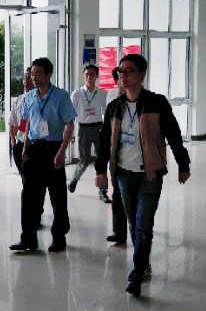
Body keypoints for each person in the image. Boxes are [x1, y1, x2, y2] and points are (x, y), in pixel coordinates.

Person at [95, 54, 191, 297]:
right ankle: (143, 262)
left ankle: (137, 272)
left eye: (129, 71)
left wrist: (183, 163)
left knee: (144, 224)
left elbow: (173, 134)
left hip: (150, 173)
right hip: (123, 174)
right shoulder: (114, 107)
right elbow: (105, 141)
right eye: (120, 72)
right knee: (133, 222)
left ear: (141, 75)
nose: (123, 76)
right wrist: (100, 170)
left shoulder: (156, 103)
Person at [10, 57, 76, 254]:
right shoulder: (29, 97)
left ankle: (59, 237)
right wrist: (25, 146)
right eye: (32, 73)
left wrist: (62, 151)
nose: (34, 77)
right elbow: (29, 122)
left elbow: (70, 125)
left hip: (53, 148)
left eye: (38, 73)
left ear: (48, 74)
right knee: (28, 195)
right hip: (33, 148)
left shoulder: (61, 96)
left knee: (57, 196)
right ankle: (28, 238)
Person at [69, 64, 109, 202]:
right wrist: (71, 133)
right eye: (87, 74)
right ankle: (74, 179)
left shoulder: (102, 94)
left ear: (96, 76)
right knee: (84, 159)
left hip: (99, 128)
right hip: (83, 129)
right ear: (83, 76)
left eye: (92, 74)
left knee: (101, 160)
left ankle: (103, 191)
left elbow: (107, 113)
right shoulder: (77, 94)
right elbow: (70, 115)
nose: (89, 77)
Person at [98, 67, 128, 247]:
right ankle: (119, 232)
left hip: (138, 159)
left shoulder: (147, 102)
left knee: (135, 199)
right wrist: (100, 168)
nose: (123, 80)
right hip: (116, 154)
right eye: (120, 77)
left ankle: (139, 228)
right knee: (118, 195)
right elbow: (106, 133)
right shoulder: (112, 100)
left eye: (127, 75)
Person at [8, 67, 33, 176]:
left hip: (34, 146)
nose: (26, 80)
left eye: (29, 78)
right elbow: (12, 121)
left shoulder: (41, 100)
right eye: (24, 78)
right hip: (20, 144)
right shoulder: (19, 100)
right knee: (24, 178)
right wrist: (13, 142)